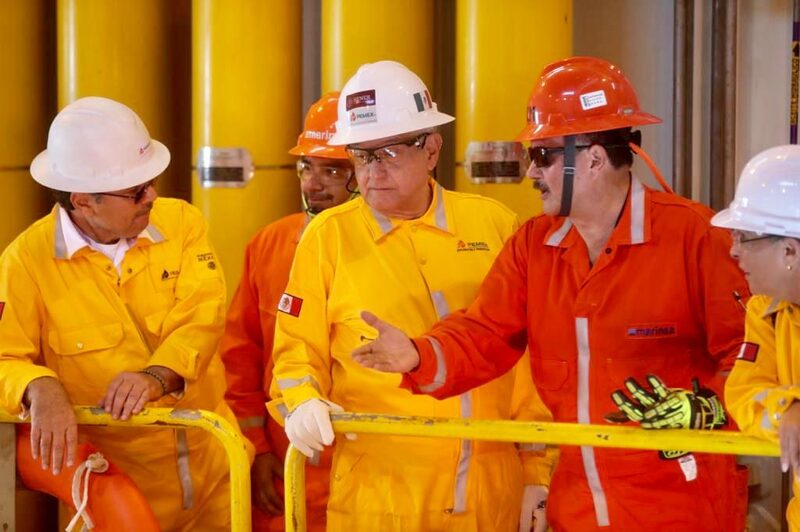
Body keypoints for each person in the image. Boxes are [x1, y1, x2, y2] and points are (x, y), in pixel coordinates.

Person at [352, 56, 750, 531]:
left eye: (542, 156)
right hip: (578, 506)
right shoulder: (534, 246)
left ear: (596, 158)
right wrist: (418, 356)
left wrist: (706, 407)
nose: (530, 174)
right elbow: (484, 332)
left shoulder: (696, 237)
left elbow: (751, 357)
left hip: (683, 507)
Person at [268, 60, 555, 531]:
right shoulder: (328, 238)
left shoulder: (494, 225)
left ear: (432, 149)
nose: (371, 172)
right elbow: (296, 349)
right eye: (361, 157)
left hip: (491, 489)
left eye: (388, 154)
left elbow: (530, 361)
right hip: (378, 493)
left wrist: (536, 475)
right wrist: (301, 400)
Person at [0, 96, 249, 531]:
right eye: (136, 191)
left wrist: (156, 376)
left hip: (218, 474)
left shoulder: (183, 224)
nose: (151, 195)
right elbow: (3, 358)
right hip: (111, 490)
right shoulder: (25, 263)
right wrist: (39, 386)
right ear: (84, 201)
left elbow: (202, 318)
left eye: (151, 180)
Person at [220, 92, 355, 531]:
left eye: (332, 170)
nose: (313, 183)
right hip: (288, 467)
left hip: (370, 465)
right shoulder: (268, 246)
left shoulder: (395, 251)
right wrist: (254, 448)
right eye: (306, 167)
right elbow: (240, 356)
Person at [712, 144, 800, 531]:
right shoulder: (765, 310)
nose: (733, 252)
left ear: (790, 251)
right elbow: (744, 394)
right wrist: (789, 408)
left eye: (743, 237)